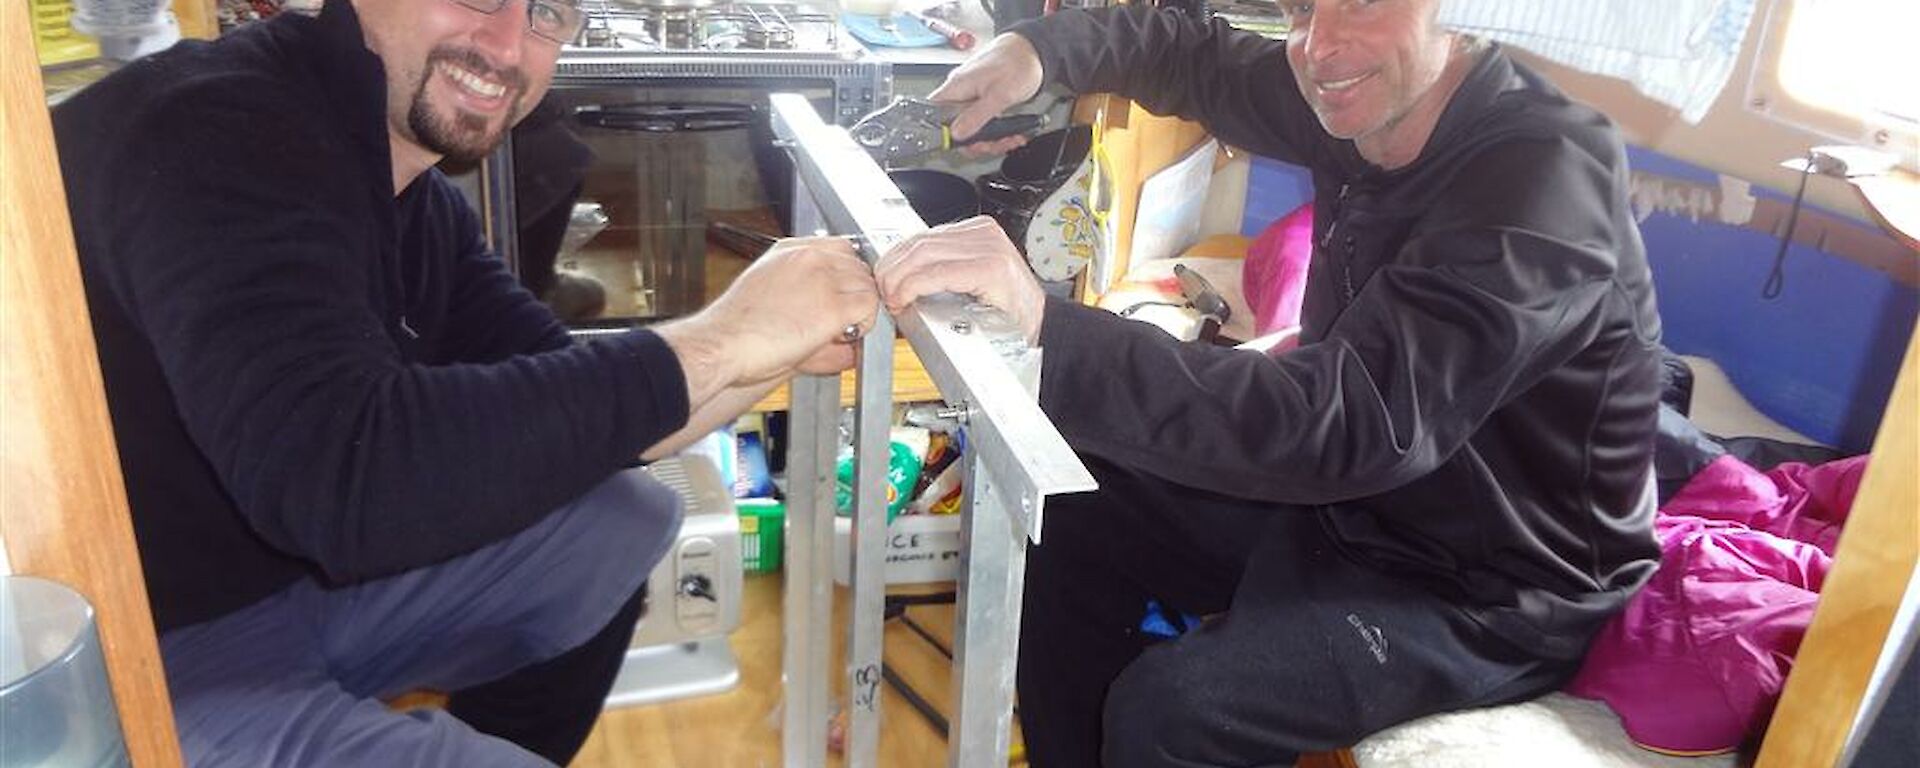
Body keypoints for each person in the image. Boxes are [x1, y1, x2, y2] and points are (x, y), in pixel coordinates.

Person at [52, 0, 877, 765]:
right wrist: (728, 337)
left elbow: (579, 417)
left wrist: (765, 352)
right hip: (121, 649)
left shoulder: (406, 189)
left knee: (625, 511)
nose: (509, 44)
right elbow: (345, 480)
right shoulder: (213, 132)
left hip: (281, 588)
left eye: (547, 12)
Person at [878, 2, 1664, 766]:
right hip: (1357, 507)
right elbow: (1192, 56)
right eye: (1296, 10)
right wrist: (1039, 52)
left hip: (1496, 584)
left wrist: (1049, 326)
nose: (1320, 46)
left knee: (1176, 711)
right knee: (1070, 491)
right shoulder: (1366, 94)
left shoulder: (1544, 178)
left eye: (1360, 4)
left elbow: (1348, 422)